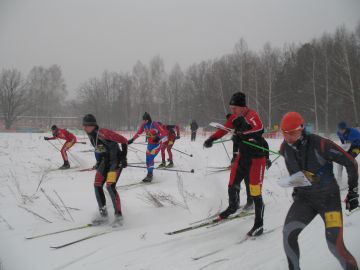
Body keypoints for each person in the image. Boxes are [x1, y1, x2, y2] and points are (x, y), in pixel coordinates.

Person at [280, 112, 359, 270]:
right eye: (285, 134)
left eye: (293, 133)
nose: (289, 138)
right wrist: (296, 186)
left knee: (334, 245)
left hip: (329, 199)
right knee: (288, 233)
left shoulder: (321, 144)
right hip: (305, 199)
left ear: (302, 129)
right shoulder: (284, 148)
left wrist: (352, 191)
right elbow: (295, 172)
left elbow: (351, 163)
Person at [204, 92, 268, 236]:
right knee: (232, 183)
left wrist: (243, 134)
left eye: (235, 108)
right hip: (243, 156)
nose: (232, 111)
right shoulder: (234, 117)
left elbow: (259, 129)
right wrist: (212, 139)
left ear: (242, 107)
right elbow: (224, 129)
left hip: (257, 159)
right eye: (231, 107)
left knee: (255, 191)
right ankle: (233, 207)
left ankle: (259, 224)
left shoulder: (252, 115)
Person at [82, 114, 128, 223]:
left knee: (109, 186)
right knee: (97, 184)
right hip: (105, 161)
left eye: (87, 126)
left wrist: (123, 158)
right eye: (84, 125)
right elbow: (98, 149)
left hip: (115, 162)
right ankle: (103, 215)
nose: (85, 128)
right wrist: (98, 162)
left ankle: (119, 216)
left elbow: (124, 141)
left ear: (93, 125)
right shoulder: (91, 135)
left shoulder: (103, 132)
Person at [128, 112, 165, 182]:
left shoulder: (154, 124)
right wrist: (132, 140)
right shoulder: (144, 125)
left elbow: (164, 132)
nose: (144, 121)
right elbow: (138, 133)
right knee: (147, 159)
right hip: (150, 145)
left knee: (151, 156)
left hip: (157, 145)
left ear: (148, 119)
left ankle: (150, 174)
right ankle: (149, 173)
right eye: (143, 120)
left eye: (145, 120)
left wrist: (158, 138)